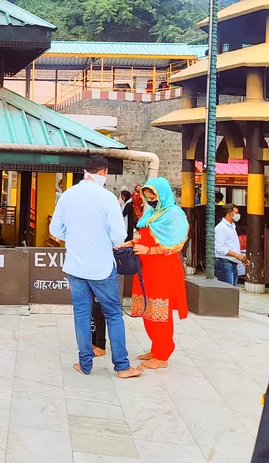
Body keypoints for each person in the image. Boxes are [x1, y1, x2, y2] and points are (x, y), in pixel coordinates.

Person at [49, 155, 143, 379]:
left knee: (81, 314)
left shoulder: (67, 195)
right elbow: (119, 235)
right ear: (102, 173)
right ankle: (122, 366)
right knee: (113, 314)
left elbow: (55, 230)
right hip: (101, 267)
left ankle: (85, 364)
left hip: (74, 266)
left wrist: (73, 238)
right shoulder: (107, 197)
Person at [128, 178, 189, 369]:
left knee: (161, 311)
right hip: (146, 268)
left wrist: (149, 251)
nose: (150, 199)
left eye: (153, 196)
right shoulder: (152, 214)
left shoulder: (174, 215)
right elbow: (145, 237)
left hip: (164, 269)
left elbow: (176, 245)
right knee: (148, 309)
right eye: (147, 197)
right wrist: (131, 243)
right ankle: (156, 347)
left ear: (162, 195)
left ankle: (163, 354)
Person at [213, 204, 247, 285]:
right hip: (224, 263)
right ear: (229, 214)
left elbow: (232, 245)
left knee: (232, 290)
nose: (238, 215)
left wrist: (240, 257)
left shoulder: (232, 226)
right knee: (227, 291)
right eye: (236, 213)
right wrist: (236, 255)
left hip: (232, 263)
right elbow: (219, 248)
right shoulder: (221, 228)